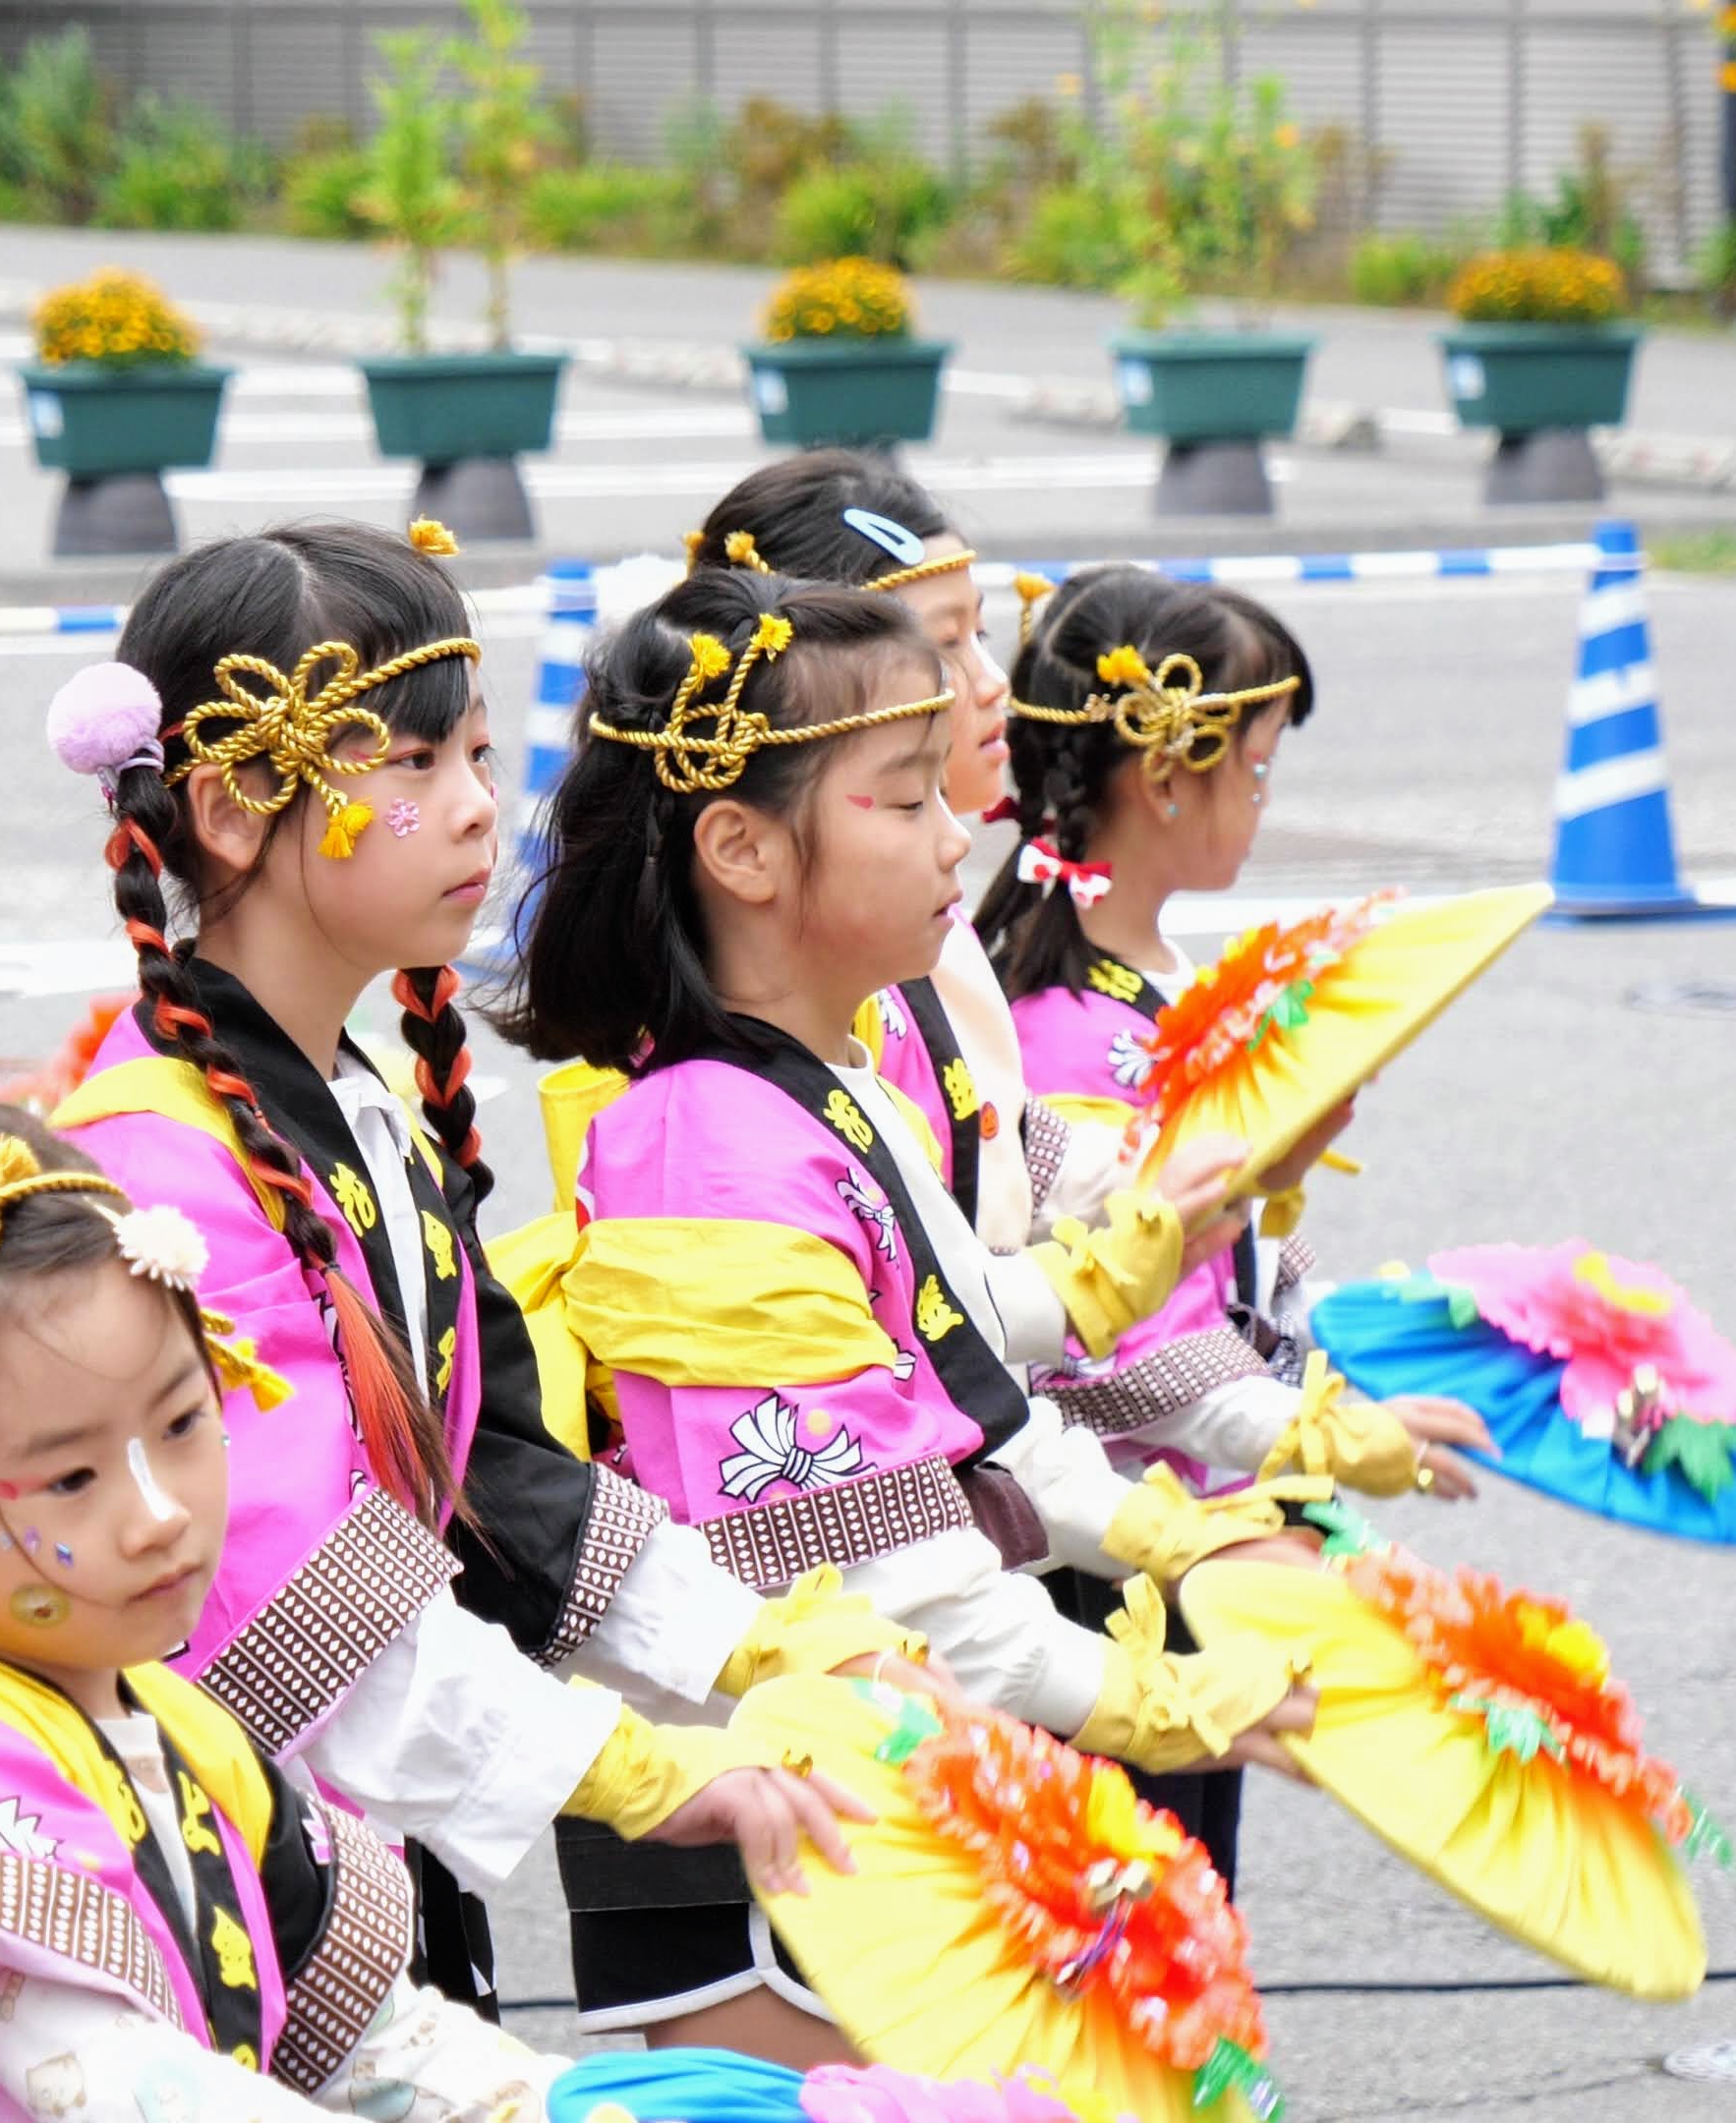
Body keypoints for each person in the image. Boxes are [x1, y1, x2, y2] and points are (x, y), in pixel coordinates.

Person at [32, 520, 914, 2013]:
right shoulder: (163, 1165)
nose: (477, 808)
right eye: (415, 763)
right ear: (234, 808)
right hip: (222, 1863)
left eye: (483, 758)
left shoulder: (355, 1106)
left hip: (356, 1828)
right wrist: (643, 1774)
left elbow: (504, 1471)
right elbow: (289, 1585)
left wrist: (774, 1644)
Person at [488, 568, 1316, 2060]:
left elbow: (974, 1380)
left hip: (864, 1762)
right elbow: (887, 1577)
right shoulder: (708, 1152)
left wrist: (1188, 1536)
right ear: (741, 846)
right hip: (775, 1826)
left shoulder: (831, 1082)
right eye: (902, 797)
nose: (955, 837)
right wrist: (1160, 1700)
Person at [0, 1064, 610, 2122]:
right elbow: (148, 2098)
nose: (157, 1513)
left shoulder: (187, 1730)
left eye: (182, 1423)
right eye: (70, 1478)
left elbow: (378, 2050)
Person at [973, 566, 1494, 1874]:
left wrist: (1355, 1348)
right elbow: (1117, 1347)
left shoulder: (1149, 975)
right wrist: (1324, 1433)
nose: (1263, 800)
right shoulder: (1068, 1027)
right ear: (1167, 777)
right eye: (1255, 769)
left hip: (1195, 1521)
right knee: (1138, 1915)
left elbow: (1222, 1259)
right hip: (1121, 1554)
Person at [681, 454, 1063, 1250]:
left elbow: (997, 1148)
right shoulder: (827, 966)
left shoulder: (908, 911)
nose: (993, 681)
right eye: (946, 644)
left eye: (981, 634)